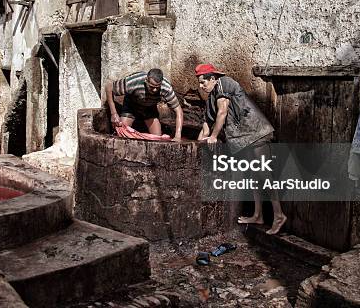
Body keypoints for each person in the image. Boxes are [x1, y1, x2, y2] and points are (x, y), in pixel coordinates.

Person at [195, 63, 287, 235]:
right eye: (199, 83)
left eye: (203, 82)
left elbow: (222, 113)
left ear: (212, 78)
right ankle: (258, 214)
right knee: (253, 175)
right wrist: (198, 143)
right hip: (243, 138)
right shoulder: (211, 99)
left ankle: (279, 215)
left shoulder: (224, 83)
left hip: (256, 132)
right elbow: (206, 125)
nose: (201, 86)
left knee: (264, 174)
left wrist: (214, 136)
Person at [105, 68, 183, 142]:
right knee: (122, 132)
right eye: (152, 87)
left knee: (157, 138)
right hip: (132, 104)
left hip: (150, 107)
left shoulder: (166, 88)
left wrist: (177, 136)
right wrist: (114, 113)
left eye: (157, 87)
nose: (155, 90)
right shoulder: (134, 82)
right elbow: (109, 87)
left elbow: (178, 111)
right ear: (146, 81)